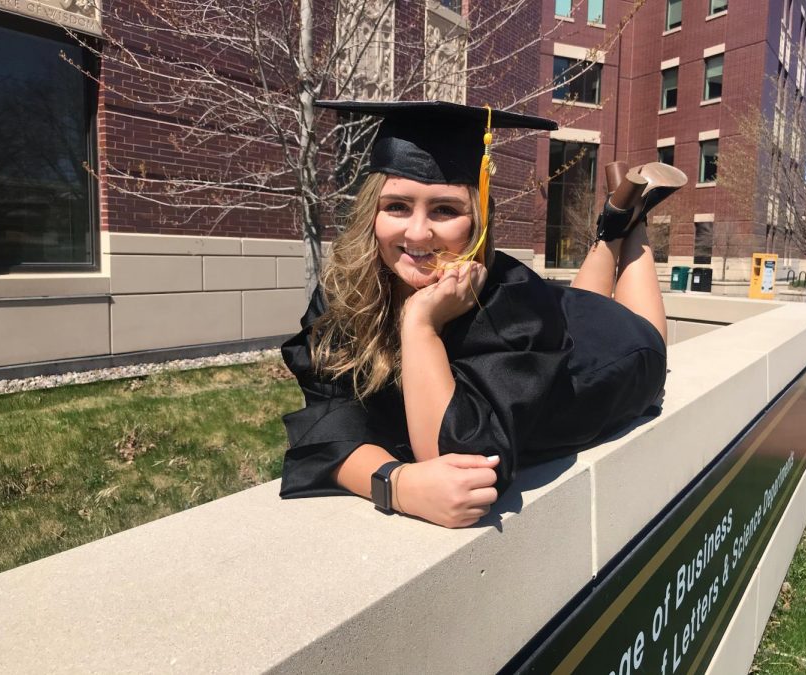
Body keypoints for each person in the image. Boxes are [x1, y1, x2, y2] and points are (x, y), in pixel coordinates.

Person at [279, 100, 682, 529]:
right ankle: (613, 222)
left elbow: (460, 462)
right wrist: (393, 482)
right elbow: (327, 422)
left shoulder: (509, 301)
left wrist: (421, 325)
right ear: (371, 214)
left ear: (477, 222)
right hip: (557, 318)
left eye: (445, 210)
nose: (417, 232)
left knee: (641, 335)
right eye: (397, 206)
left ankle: (632, 223)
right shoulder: (348, 293)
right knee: (577, 306)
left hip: (605, 364)